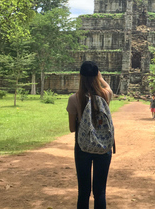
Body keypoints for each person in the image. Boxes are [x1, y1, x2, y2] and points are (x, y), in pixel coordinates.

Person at [67, 61, 114, 209]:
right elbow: (108, 88)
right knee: (100, 192)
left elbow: (72, 129)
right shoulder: (106, 95)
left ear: (80, 76)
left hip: (83, 147)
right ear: (96, 75)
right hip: (103, 146)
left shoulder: (74, 99)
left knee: (84, 192)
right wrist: (100, 78)